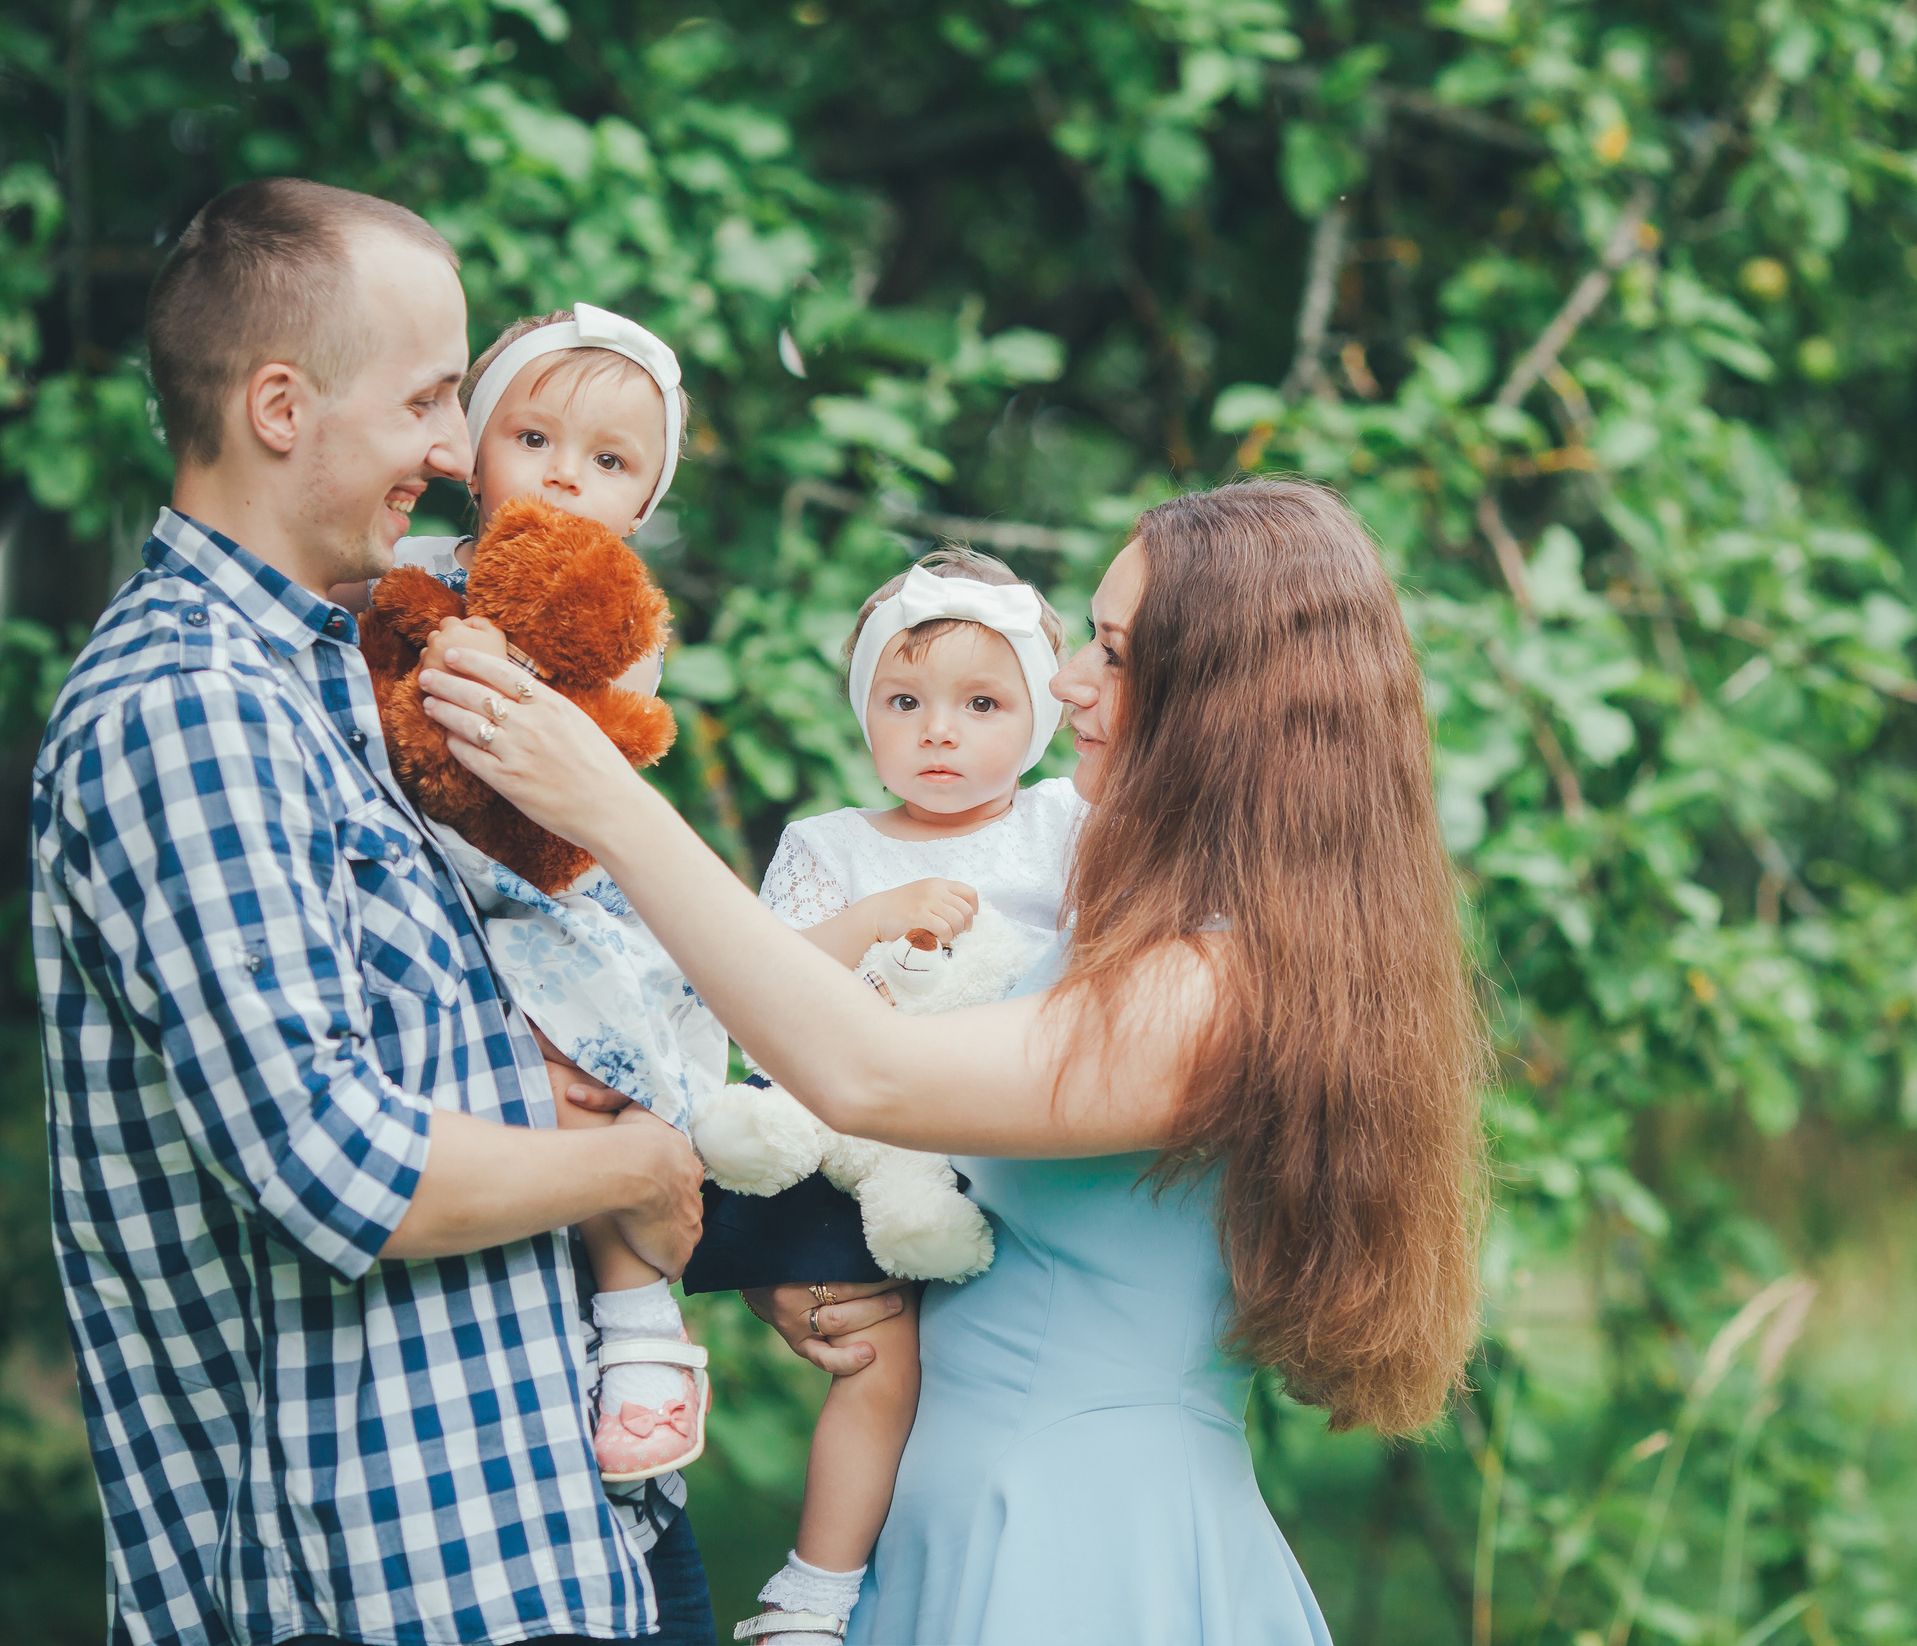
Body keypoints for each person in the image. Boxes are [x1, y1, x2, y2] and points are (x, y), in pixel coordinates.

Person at [414, 477, 1490, 1643]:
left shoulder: (1218, 989)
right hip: (972, 1509)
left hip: (1078, 1550)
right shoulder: (1141, 932)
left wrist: (610, 807)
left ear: (1228, 706)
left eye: (1114, 656)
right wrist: (820, 1265)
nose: (1068, 678)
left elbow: (871, 1074)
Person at [29, 177, 711, 1646]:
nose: (458, 451)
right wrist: (631, 1169)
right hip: (385, 1583)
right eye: (427, 402)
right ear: (281, 404)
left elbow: (540, 1027)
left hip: (557, 1534)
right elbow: (337, 1157)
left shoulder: (358, 667)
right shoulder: (187, 709)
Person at [374, 303, 727, 1487]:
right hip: (439, 886)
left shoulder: (616, 612)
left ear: (641, 503)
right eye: (533, 438)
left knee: (589, 1076)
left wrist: (495, 665)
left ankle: (640, 1334)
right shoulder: (411, 576)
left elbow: (597, 728)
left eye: (611, 461)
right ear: (470, 451)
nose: (566, 474)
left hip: (547, 888)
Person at [716, 548, 1079, 1644]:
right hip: (866, 1141)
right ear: (864, 710)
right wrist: (874, 920)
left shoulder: (1062, 827)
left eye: (980, 704)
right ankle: (811, 1595)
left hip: (1019, 1133)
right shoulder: (833, 845)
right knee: (881, 1362)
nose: (938, 731)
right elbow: (765, 986)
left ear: (1038, 719)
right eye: (904, 700)